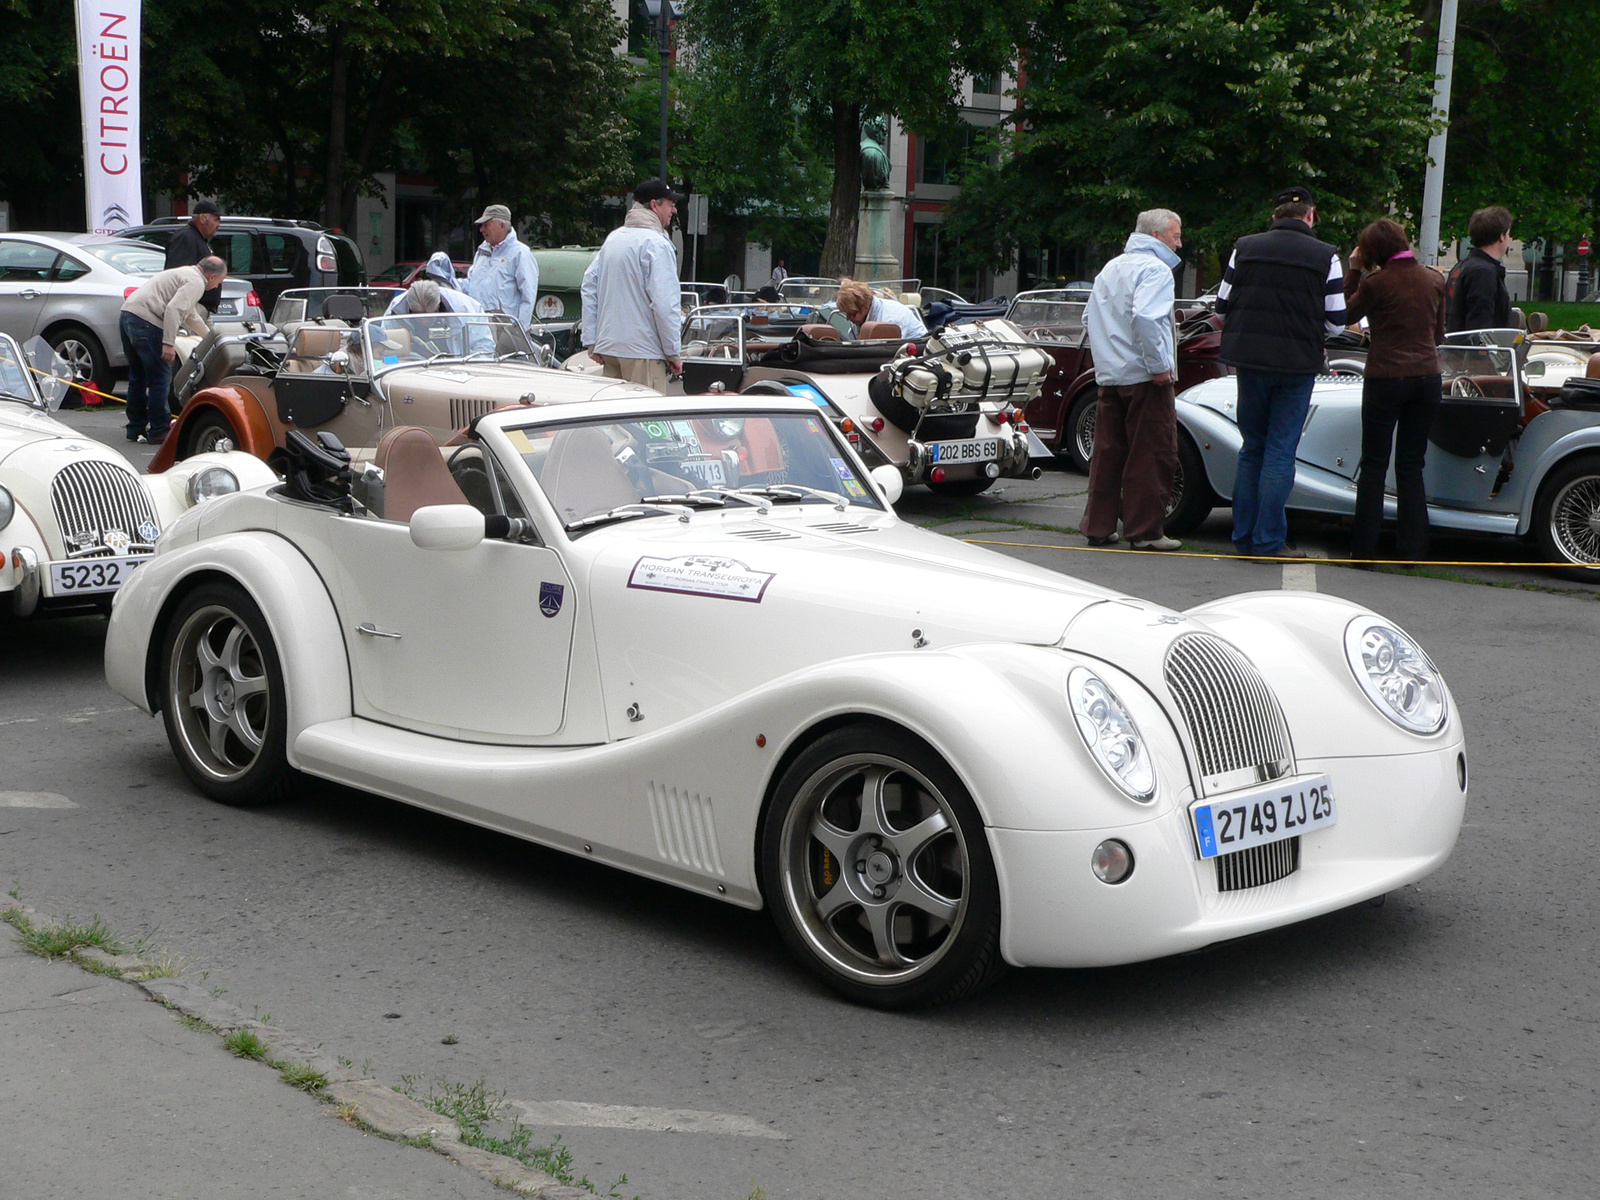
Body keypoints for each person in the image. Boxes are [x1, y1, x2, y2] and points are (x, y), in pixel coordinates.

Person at [1216, 184, 1348, 559]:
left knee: (1251, 449)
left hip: (1249, 361)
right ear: (1310, 215)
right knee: (1280, 451)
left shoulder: (1245, 248)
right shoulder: (1326, 256)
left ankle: (1243, 537)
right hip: (1296, 363)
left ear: (1274, 217)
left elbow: (1222, 306)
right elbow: (1337, 323)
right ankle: (1269, 541)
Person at [1079, 209, 1185, 551]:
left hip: (1110, 375)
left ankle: (1098, 526)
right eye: (1175, 235)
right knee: (1152, 453)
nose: (1179, 243)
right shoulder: (1156, 269)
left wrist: (1107, 356)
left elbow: (1088, 316)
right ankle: (1145, 531)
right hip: (1144, 377)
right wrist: (1159, 366)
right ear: (1157, 236)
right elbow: (1147, 317)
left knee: (1107, 453)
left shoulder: (1112, 267)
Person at [1343, 219, 1448, 564]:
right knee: (1411, 466)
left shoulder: (1377, 282)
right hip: (1427, 377)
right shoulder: (1434, 279)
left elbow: (1347, 312)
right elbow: (1438, 336)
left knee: (1374, 464)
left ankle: (1364, 550)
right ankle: (1413, 550)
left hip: (1386, 376)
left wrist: (1354, 270)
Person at [579, 179, 685, 391]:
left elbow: (589, 285)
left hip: (610, 348)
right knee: (646, 420)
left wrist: (592, 340)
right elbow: (665, 305)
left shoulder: (614, 239)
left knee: (614, 420)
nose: (673, 210)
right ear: (655, 205)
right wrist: (673, 352)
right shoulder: (657, 244)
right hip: (643, 351)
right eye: (670, 204)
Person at [119, 255, 225, 443]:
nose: (217, 287)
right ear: (212, 277)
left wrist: (211, 337)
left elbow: (190, 314)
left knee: (138, 376)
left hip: (128, 315)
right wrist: (168, 343)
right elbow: (174, 309)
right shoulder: (196, 283)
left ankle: (135, 427)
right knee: (160, 377)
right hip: (147, 322)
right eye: (219, 282)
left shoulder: (184, 273)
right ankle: (159, 430)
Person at [465, 204, 539, 328]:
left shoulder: (520, 253)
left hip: (505, 330)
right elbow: (470, 284)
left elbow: (528, 297)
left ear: (502, 225)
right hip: (476, 327)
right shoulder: (481, 252)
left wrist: (519, 331)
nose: (481, 229)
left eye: (486, 224)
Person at [1445, 206, 1513, 333]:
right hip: (1473, 351)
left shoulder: (1462, 266)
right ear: (1501, 237)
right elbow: (1480, 324)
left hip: (1457, 348)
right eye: (1508, 234)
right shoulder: (1483, 272)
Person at [164, 199, 222, 313]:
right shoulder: (186, 238)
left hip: (199, 308)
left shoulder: (198, 239)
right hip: (191, 308)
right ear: (202, 218)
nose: (218, 225)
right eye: (216, 220)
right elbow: (180, 275)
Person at [835, 278, 928, 339]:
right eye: (846, 314)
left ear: (865, 307)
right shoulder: (861, 318)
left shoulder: (890, 320)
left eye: (852, 314)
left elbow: (889, 353)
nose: (848, 318)